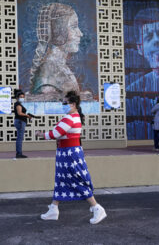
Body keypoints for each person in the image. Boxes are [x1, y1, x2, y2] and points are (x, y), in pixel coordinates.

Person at [35, 91, 107, 224]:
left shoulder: (70, 118)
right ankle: (53, 209)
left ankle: (96, 208)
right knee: (61, 180)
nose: (62, 105)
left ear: (73, 104)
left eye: (65, 103)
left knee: (76, 180)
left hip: (70, 154)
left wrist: (40, 134)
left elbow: (56, 133)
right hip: (65, 153)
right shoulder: (71, 116)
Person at [27, 3, 92, 101]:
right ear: (59, 31)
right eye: (74, 27)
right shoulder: (47, 72)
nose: (80, 33)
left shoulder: (61, 67)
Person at [13, 89, 32, 158]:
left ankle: (19, 153)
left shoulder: (19, 104)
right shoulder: (18, 104)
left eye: (23, 97)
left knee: (19, 138)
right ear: (17, 98)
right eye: (21, 97)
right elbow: (19, 113)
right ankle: (19, 153)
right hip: (20, 121)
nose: (22, 98)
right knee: (20, 138)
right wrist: (27, 116)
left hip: (20, 121)